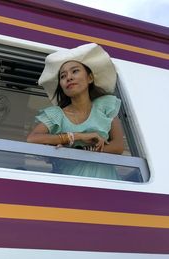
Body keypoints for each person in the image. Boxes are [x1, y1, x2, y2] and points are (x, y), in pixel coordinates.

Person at [27, 43, 124, 179]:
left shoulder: (106, 106)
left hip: (106, 183)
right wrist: (78, 136)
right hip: (70, 186)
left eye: (75, 71)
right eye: (63, 76)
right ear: (61, 85)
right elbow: (32, 139)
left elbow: (118, 146)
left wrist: (79, 152)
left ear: (90, 78)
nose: (69, 78)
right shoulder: (56, 114)